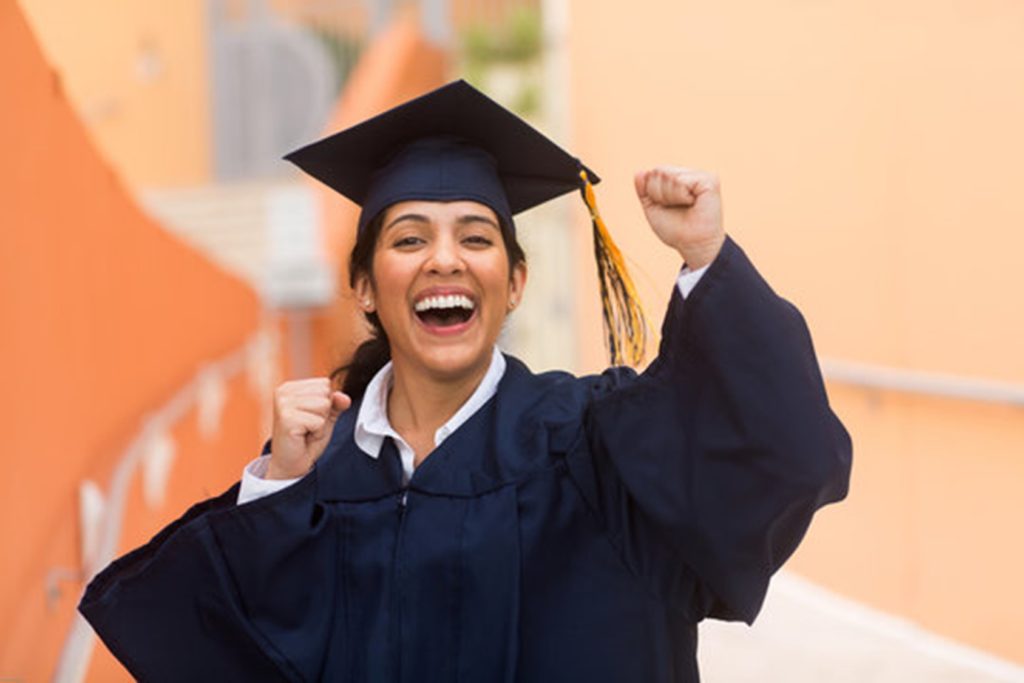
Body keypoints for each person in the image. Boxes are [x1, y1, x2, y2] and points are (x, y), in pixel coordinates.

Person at [79, 80, 851, 682]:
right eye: (410, 238)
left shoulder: (598, 447)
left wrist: (706, 259)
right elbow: (224, 654)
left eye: (475, 238)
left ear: (512, 282)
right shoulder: (315, 480)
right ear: (365, 289)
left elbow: (787, 454)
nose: (444, 259)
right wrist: (276, 491)